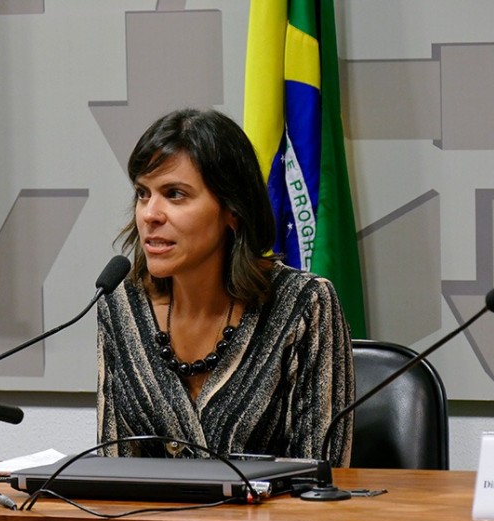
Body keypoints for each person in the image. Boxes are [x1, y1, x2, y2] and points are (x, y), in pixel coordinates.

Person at [96, 108, 354, 465]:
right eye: (143, 193)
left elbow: (321, 481)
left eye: (174, 194)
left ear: (232, 211)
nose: (149, 214)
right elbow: (113, 472)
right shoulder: (121, 304)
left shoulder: (303, 304)